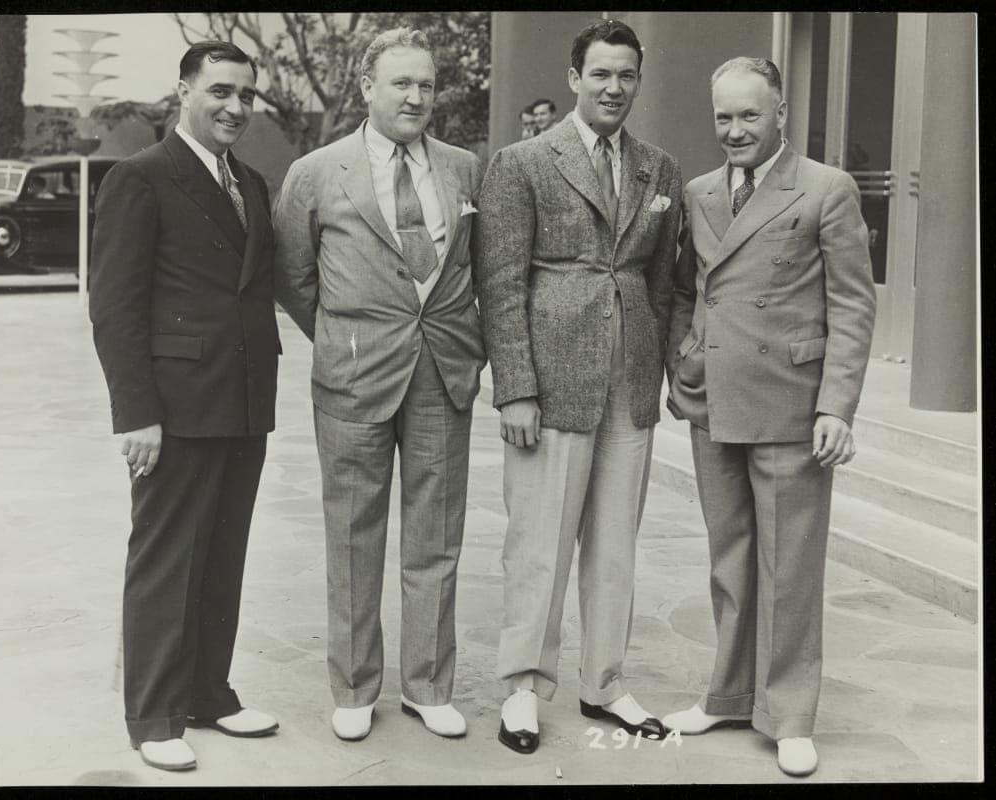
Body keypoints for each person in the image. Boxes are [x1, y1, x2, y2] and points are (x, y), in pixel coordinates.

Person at [660, 57, 876, 778]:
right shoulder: (697, 192)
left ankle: (787, 716)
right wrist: (684, 360)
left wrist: (836, 407)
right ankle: (725, 694)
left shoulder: (825, 188)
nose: (734, 130)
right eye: (722, 116)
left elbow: (851, 302)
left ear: (780, 112)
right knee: (729, 561)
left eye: (748, 116)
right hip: (712, 397)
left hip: (789, 403)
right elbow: (686, 290)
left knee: (788, 567)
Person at [273, 27, 485, 743]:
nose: (415, 97)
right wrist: (346, 337)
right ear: (367, 88)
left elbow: (478, 267)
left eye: (425, 84)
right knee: (354, 537)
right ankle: (356, 687)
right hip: (354, 377)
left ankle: (429, 686)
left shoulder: (463, 168)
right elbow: (293, 277)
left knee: (437, 538)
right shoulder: (316, 171)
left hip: (441, 372)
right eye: (400, 83)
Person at [475, 19, 682, 755]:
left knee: (615, 545)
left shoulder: (658, 167)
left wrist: (656, 370)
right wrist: (515, 389)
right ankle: (523, 689)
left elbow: (661, 284)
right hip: (551, 380)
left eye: (626, 75)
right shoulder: (523, 161)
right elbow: (500, 285)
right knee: (538, 544)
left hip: (628, 383)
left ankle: (605, 683)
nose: (614, 88)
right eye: (600, 73)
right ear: (573, 78)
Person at [88, 40, 281, 772]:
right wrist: (135, 413)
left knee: (222, 555)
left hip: (243, 400)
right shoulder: (141, 178)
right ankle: (153, 714)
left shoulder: (252, 183)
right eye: (219, 92)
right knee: (166, 558)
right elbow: (114, 306)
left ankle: (208, 694)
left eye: (245, 95)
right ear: (183, 92)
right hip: (173, 405)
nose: (234, 107)